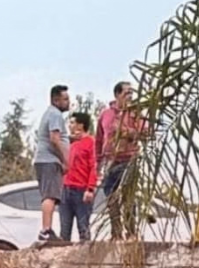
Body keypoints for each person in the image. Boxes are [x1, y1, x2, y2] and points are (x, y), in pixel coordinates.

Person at [97, 81, 149, 239]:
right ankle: (116, 233)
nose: (130, 96)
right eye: (127, 93)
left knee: (129, 196)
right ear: (117, 95)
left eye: (132, 93)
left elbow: (147, 133)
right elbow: (98, 140)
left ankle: (131, 232)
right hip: (110, 161)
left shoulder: (135, 113)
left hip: (129, 159)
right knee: (111, 197)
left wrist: (129, 132)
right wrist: (97, 163)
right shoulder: (105, 114)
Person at [33, 85, 72, 244]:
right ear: (56, 100)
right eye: (65, 99)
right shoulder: (55, 114)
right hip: (50, 160)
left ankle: (47, 230)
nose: (68, 102)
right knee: (50, 196)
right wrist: (65, 160)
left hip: (45, 160)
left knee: (51, 196)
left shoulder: (50, 113)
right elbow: (54, 139)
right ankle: (46, 231)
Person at [59, 112, 98, 242]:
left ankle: (87, 259)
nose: (69, 125)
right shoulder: (70, 142)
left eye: (72, 123)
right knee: (64, 230)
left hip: (81, 190)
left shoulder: (90, 142)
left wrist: (90, 188)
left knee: (83, 228)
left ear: (80, 125)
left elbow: (94, 166)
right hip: (66, 189)